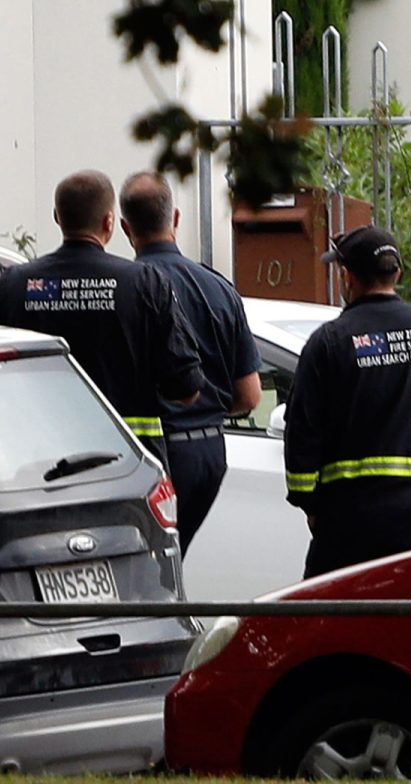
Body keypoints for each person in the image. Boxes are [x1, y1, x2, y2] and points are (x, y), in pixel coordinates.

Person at [0, 170, 203, 468]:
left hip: (31, 465)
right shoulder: (145, 283)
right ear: (109, 222)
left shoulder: (11, 287)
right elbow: (186, 388)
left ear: (57, 217)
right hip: (129, 466)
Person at [284, 225, 411, 578]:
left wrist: (309, 502)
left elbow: (302, 430)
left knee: (335, 619)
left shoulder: (330, 341)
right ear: (396, 273)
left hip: (349, 518)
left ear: (346, 276)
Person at [117, 171, 262, 551]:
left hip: (148, 453)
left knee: (144, 566)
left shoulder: (122, 290)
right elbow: (249, 396)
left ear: (123, 226)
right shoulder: (218, 289)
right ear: (176, 218)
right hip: (208, 456)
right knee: (178, 562)